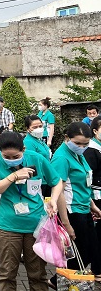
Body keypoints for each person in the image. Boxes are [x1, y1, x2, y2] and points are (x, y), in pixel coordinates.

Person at [0, 131, 62, 291]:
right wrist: (13, 176)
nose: (12, 160)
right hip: (7, 226)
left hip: (36, 226)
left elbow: (57, 181)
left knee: (38, 275)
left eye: (16, 156)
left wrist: (53, 200)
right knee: (7, 275)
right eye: (7, 156)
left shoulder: (37, 159)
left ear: (24, 149)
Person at [52, 122, 101, 287]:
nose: (82, 147)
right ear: (67, 138)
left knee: (90, 251)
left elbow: (82, 185)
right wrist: (67, 224)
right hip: (72, 212)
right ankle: (62, 283)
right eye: (78, 143)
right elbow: (58, 192)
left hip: (83, 208)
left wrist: (92, 205)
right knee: (79, 254)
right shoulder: (62, 157)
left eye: (85, 144)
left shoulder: (77, 155)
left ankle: (60, 282)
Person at [86, 117, 101, 281]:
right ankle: (96, 269)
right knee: (97, 235)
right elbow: (88, 178)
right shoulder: (91, 150)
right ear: (95, 131)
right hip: (95, 198)